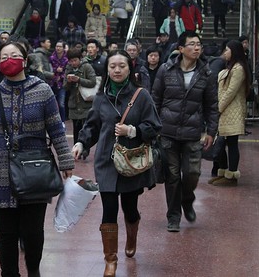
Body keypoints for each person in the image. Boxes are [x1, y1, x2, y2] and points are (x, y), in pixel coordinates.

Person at [0, 42, 74, 277]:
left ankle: (33, 270)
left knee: (32, 231)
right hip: (1, 170)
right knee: (5, 233)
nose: (9, 59)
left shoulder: (43, 91)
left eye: (15, 55)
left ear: (25, 61)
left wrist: (66, 160)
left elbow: (56, 128)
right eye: (5, 56)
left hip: (34, 169)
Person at [72, 49, 161, 277]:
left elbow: (154, 127)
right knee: (109, 209)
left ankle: (132, 230)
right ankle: (110, 259)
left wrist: (133, 131)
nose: (117, 70)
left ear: (129, 68)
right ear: (107, 70)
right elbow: (92, 126)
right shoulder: (101, 97)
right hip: (106, 162)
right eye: (113, 66)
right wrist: (82, 143)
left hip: (131, 162)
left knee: (129, 209)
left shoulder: (141, 96)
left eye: (122, 66)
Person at [151, 31, 219, 232]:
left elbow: (211, 106)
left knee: (192, 173)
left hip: (192, 132)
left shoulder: (206, 74)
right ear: (181, 49)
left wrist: (211, 131)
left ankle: (187, 200)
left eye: (199, 44)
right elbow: (156, 99)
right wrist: (154, 127)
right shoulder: (166, 70)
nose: (197, 47)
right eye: (192, 44)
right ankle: (173, 216)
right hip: (168, 131)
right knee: (172, 176)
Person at [209, 40, 251, 186]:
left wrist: (218, 108)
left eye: (227, 50)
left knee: (232, 143)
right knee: (222, 141)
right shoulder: (230, 67)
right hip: (225, 110)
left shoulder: (238, 69)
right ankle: (223, 170)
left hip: (232, 111)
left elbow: (230, 92)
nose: (224, 53)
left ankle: (232, 174)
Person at [64, 47, 96, 160]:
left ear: (80, 59)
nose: (73, 63)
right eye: (71, 61)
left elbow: (93, 82)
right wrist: (68, 82)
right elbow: (64, 87)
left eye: (75, 60)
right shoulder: (68, 69)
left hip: (85, 103)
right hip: (74, 103)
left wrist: (79, 80)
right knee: (76, 128)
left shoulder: (87, 66)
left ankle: (85, 149)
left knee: (85, 127)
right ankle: (76, 149)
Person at [49, 40, 68, 125]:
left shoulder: (66, 59)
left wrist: (61, 76)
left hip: (62, 84)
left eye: (60, 46)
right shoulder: (52, 58)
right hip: (52, 83)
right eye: (57, 46)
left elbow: (68, 71)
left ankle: (63, 121)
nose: (58, 48)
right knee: (51, 103)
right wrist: (55, 71)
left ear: (64, 48)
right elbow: (48, 69)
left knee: (61, 103)